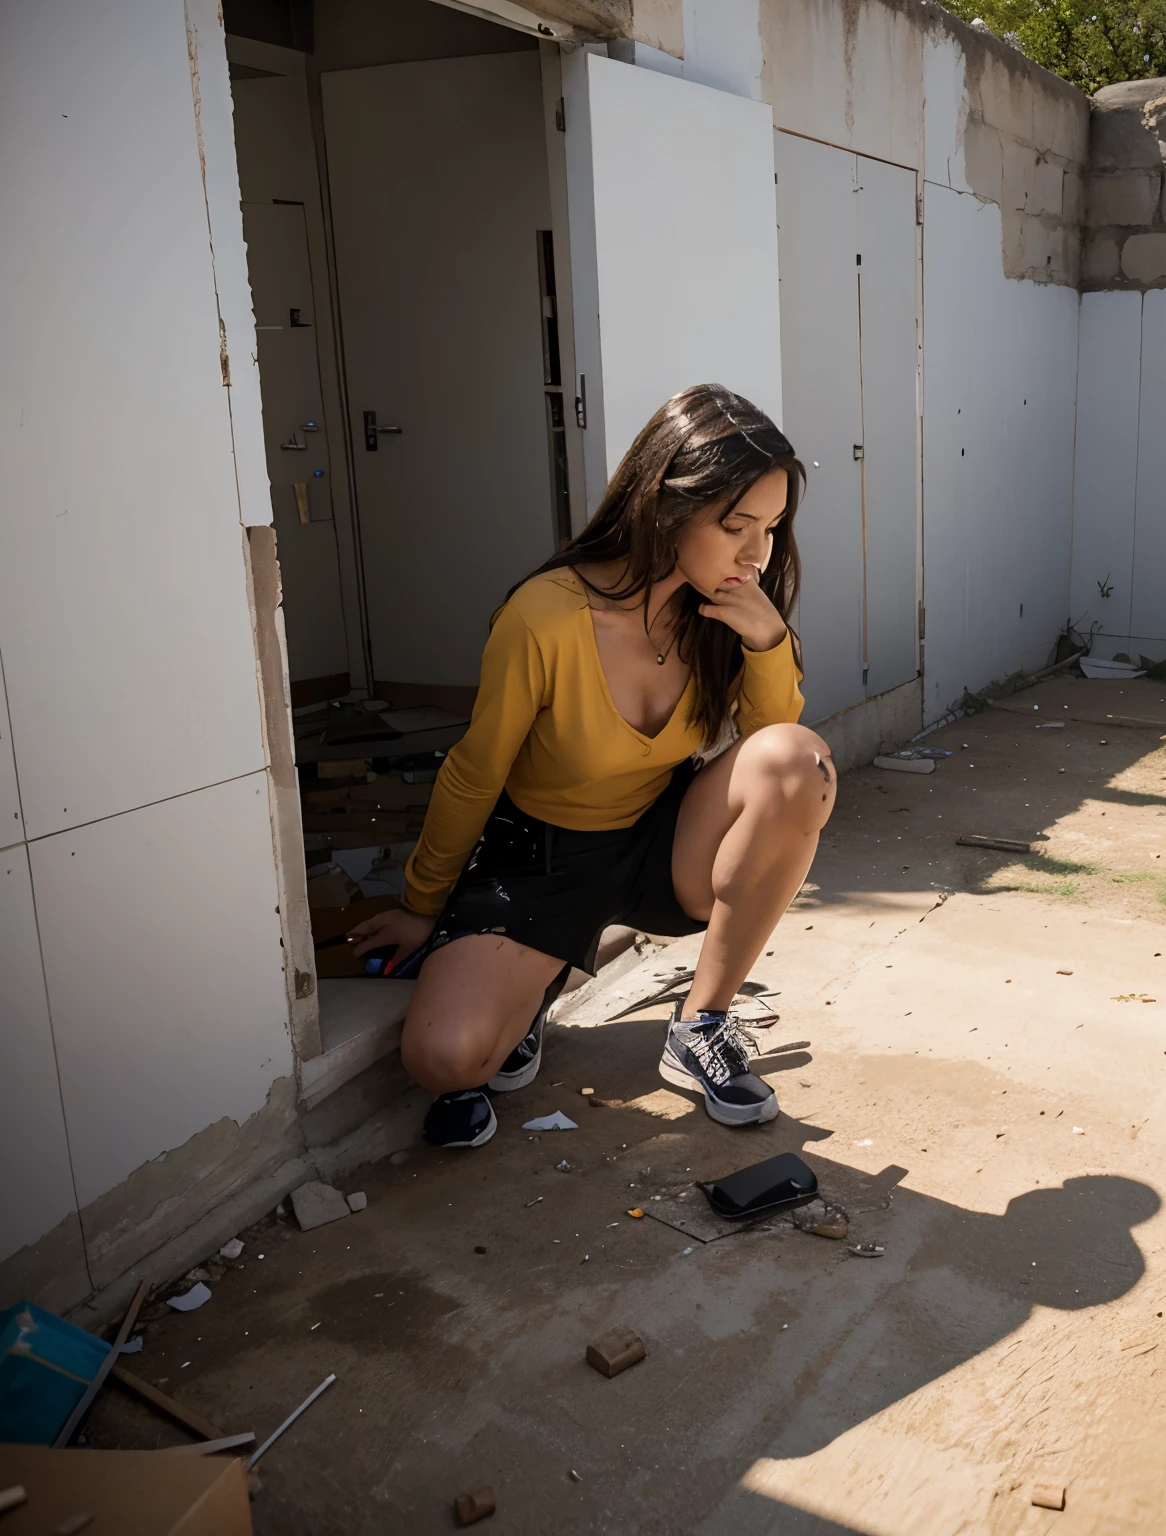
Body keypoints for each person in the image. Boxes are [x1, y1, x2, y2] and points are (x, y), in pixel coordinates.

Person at [346, 384, 837, 1148]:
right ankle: (535, 983)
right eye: (736, 525)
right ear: (665, 507)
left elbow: (775, 757)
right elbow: (475, 771)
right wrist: (421, 902)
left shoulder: (727, 612)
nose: (757, 554)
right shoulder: (545, 617)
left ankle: (700, 1021)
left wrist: (769, 643)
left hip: (657, 846)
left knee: (802, 763)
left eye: (770, 529)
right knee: (446, 1059)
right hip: (541, 857)